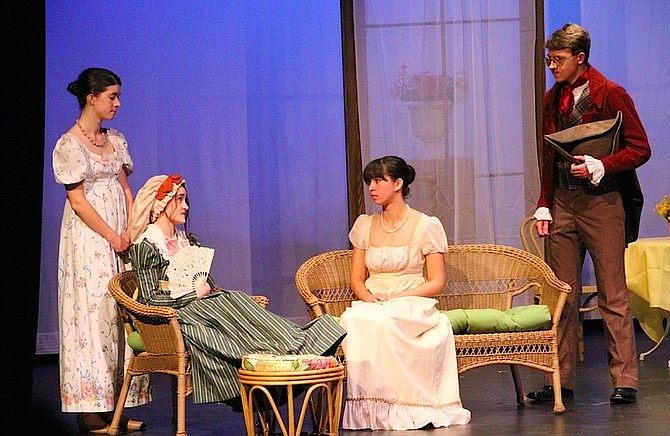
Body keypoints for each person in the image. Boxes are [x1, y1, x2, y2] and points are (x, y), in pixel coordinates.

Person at [127, 174, 347, 409]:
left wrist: (207, 291)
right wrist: (194, 295)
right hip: (172, 317)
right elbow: (150, 300)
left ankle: (296, 345)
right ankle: (261, 366)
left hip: (202, 304)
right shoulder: (147, 245)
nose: (186, 206)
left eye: (185, 199)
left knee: (236, 300)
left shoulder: (187, 241)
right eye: (179, 200)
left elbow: (202, 279)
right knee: (212, 319)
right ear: (162, 203)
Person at [528, 23, 651, 405]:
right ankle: (559, 380)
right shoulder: (552, 99)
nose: (553, 67)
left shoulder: (611, 93)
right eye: (549, 60)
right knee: (561, 296)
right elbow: (549, 156)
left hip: (602, 203)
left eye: (559, 60)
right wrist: (544, 202)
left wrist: (603, 164)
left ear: (580, 58)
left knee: (612, 293)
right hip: (563, 202)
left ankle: (624, 379)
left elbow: (640, 148)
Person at [338, 156, 471, 430]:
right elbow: (357, 279)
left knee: (387, 321)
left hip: (411, 301)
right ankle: (374, 407)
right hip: (373, 301)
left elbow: (436, 281)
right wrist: (369, 298)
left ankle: (404, 405)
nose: (372, 188)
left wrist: (397, 298)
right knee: (356, 321)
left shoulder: (425, 225)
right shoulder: (365, 225)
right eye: (370, 182)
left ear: (398, 184)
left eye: (379, 181)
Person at [52, 68, 149, 433]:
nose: (117, 103)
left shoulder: (115, 140)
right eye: (111, 96)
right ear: (91, 99)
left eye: (118, 96)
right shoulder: (70, 145)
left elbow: (126, 188)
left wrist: (130, 228)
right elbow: (77, 201)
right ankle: (88, 408)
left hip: (120, 238)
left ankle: (116, 404)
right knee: (92, 318)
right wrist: (111, 234)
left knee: (120, 320)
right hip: (89, 242)